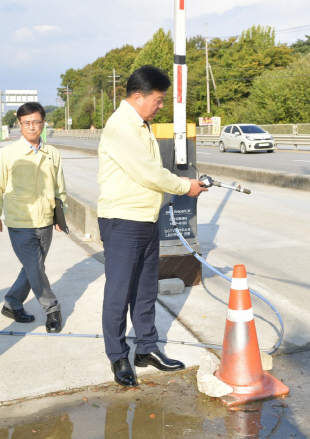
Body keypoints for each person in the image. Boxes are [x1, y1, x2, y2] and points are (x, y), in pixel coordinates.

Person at [97, 65, 207, 387]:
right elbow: (148, 173)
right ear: (137, 96)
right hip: (123, 221)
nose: (161, 107)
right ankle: (118, 356)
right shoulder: (121, 126)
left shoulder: (141, 124)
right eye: (158, 100)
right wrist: (185, 186)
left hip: (146, 218)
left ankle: (146, 348)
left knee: (146, 290)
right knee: (119, 293)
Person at [0, 102, 67, 333]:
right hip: (20, 221)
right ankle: (52, 308)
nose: (31, 127)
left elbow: (59, 187)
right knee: (35, 267)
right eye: (26, 123)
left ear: (43, 123)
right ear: (19, 124)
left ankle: (12, 303)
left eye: (36, 122)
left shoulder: (52, 153)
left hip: (45, 220)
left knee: (33, 267)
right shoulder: (7, 154)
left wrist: (61, 215)